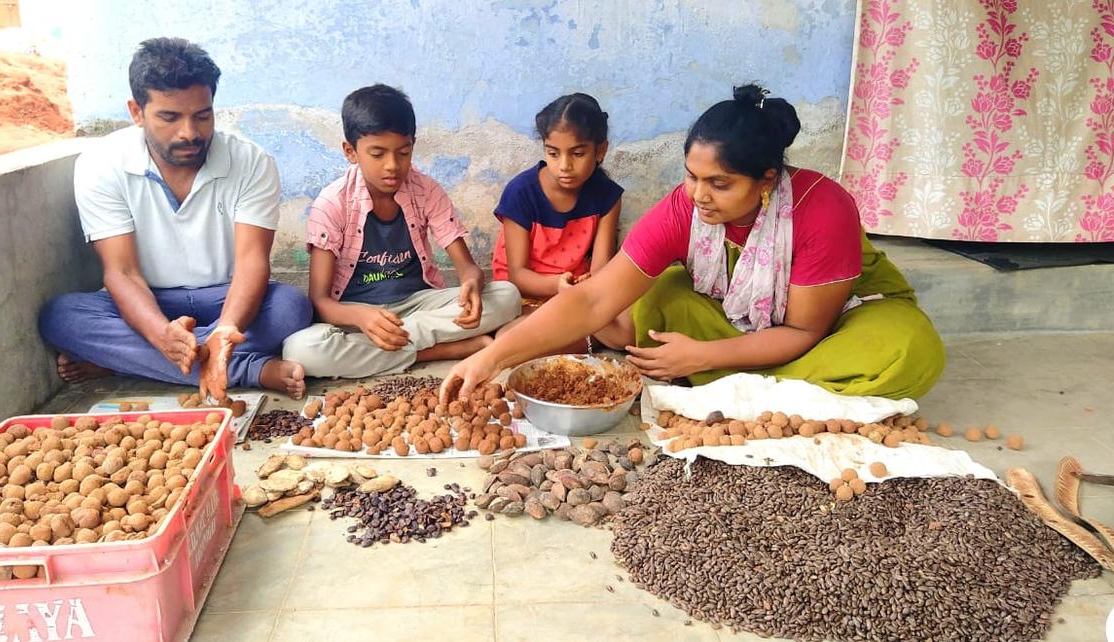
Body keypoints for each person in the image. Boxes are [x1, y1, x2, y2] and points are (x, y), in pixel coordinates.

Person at [442, 84, 945, 403]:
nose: (700, 196)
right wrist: (492, 358)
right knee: (656, 299)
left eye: (720, 184)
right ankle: (759, 382)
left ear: (766, 180)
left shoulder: (822, 208)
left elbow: (804, 330)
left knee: (905, 349)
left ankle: (730, 378)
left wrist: (702, 357)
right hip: (740, 319)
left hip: (834, 324)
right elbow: (594, 297)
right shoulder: (684, 208)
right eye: (691, 177)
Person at [39, 38, 312, 401]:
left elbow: (251, 263)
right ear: (137, 112)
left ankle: (124, 361)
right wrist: (160, 335)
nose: (190, 132)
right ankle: (251, 369)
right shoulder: (101, 165)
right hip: (148, 300)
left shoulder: (251, 161)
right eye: (169, 117)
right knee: (61, 316)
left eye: (202, 115)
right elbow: (122, 273)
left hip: (224, 298)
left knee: (291, 308)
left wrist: (225, 331)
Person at [282, 84, 521, 378]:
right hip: (358, 316)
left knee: (507, 296)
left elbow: (468, 268)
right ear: (350, 151)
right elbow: (320, 302)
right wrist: (360, 317)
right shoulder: (332, 204)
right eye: (378, 154)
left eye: (403, 153)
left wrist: (472, 282)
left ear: (413, 145)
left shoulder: (426, 191)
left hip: (418, 305)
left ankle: (398, 346)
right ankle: (432, 350)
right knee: (300, 350)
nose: (392, 165)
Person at [491, 93, 632, 353]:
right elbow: (517, 275)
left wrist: (581, 293)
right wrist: (558, 286)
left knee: (626, 333)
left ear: (600, 151)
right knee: (509, 333)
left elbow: (601, 272)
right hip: (527, 295)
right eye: (553, 154)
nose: (564, 166)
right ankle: (579, 338)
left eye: (577, 153)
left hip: (579, 292)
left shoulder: (607, 196)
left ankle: (563, 337)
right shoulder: (521, 192)